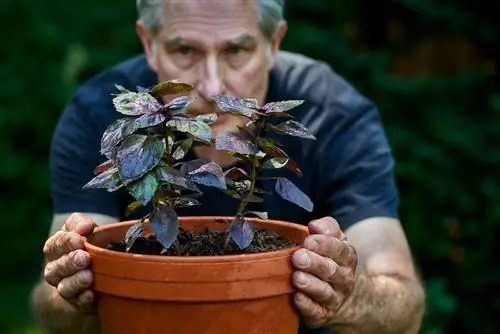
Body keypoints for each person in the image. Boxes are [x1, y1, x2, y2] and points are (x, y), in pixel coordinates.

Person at [30, 0, 426, 333]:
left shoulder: (336, 116)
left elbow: (404, 301)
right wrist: (70, 283)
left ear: (274, 43)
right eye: (185, 51)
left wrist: (348, 297)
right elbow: (50, 302)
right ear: (148, 44)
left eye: (236, 51)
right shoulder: (100, 114)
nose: (213, 86)